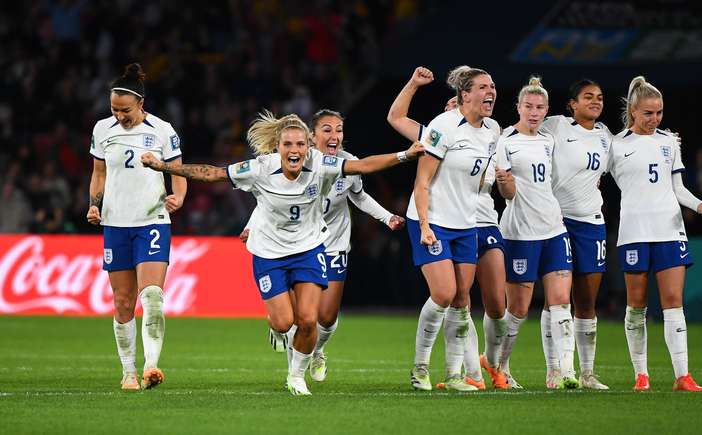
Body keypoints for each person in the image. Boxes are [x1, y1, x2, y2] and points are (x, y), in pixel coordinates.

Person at [141, 111, 423, 395]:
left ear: (308, 146)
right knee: (284, 322)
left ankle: (296, 376)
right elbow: (213, 173)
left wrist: (405, 155)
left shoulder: (322, 164)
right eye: (288, 145)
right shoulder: (259, 168)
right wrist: (163, 167)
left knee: (309, 319)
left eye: (300, 145)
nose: (295, 150)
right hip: (269, 253)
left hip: (309, 249)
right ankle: (276, 330)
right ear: (278, 147)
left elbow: (363, 166)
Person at [247, 109, 405, 381]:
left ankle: (317, 351)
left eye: (339, 129)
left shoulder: (348, 164)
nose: (335, 135)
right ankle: (293, 371)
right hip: (299, 245)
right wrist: (250, 226)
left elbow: (360, 196)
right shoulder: (297, 161)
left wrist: (386, 216)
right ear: (312, 136)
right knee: (300, 318)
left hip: (333, 243)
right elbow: (273, 202)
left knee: (327, 317)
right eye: (327, 129)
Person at [387, 67, 516, 390]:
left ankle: (457, 375)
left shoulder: (492, 130)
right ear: (465, 95)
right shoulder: (443, 126)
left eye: (493, 85)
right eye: (484, 87)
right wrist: (426, 225)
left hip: (465, 223)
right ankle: (419, 368)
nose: (491, 91)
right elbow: (422, 180)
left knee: (460, 300)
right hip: (432, 220)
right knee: (443, 293)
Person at [610, 76, 702, 392]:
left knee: (673, 302)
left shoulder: (669, 142)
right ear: (633, 110)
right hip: (634, 232)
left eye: (658, 113)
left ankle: (683, 376)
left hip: (669, 229)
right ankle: (641, 375)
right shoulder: (616, 145)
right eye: (648, 113)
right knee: (637, 305)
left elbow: (678, 188)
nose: (654, 119)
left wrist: (699, 205)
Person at [87, 63, 187, 390]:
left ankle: (152, 366)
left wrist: (179, 196)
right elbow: (99, 174)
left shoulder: (162, 130)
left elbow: (177, 169)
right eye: (114, 109)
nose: (119, 116)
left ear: (140, 104)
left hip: (152, 220)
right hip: (116, 222)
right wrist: (94, 204)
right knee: (123, 302)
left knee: (153, 296)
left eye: (125, 110)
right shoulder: (102, 130)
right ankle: (129, 371)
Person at [495, 76, 579, 389]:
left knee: (560, 303)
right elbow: (508, 194)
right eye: (528, 106)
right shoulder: (506, 140)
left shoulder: (549, 141)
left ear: (546, 109)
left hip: (554, 229)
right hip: (519, 233)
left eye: (539, 106)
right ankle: (500, 367)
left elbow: (555, 181)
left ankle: (563, 372)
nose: (534, 111)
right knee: (517, 310)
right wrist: (505, 183)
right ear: (518, 107)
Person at [536, 79, 613, 389]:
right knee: (556, 300)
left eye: (599, 97)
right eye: (587, 96)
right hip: (557, 221)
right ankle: (554, 370)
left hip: (592, 224)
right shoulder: (555, 126)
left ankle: (587, 373)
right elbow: (521, 128)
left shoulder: (606, 136)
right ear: (572, 104)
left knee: (587, 302)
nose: (595, 101)